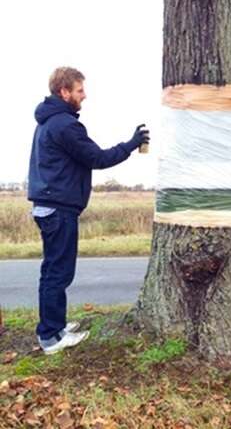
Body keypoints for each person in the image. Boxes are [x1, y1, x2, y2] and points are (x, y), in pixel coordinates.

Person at [27, 67, 150, 355]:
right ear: (64, 92)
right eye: (80, 90)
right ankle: (51, 338)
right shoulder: (64, 125)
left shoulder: (50, 122)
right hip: (58, 209)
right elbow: (97, 158)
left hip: (50, 206)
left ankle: (55, 327)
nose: (85, 95)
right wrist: (130, 144)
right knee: (58, 273)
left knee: (54, 271)